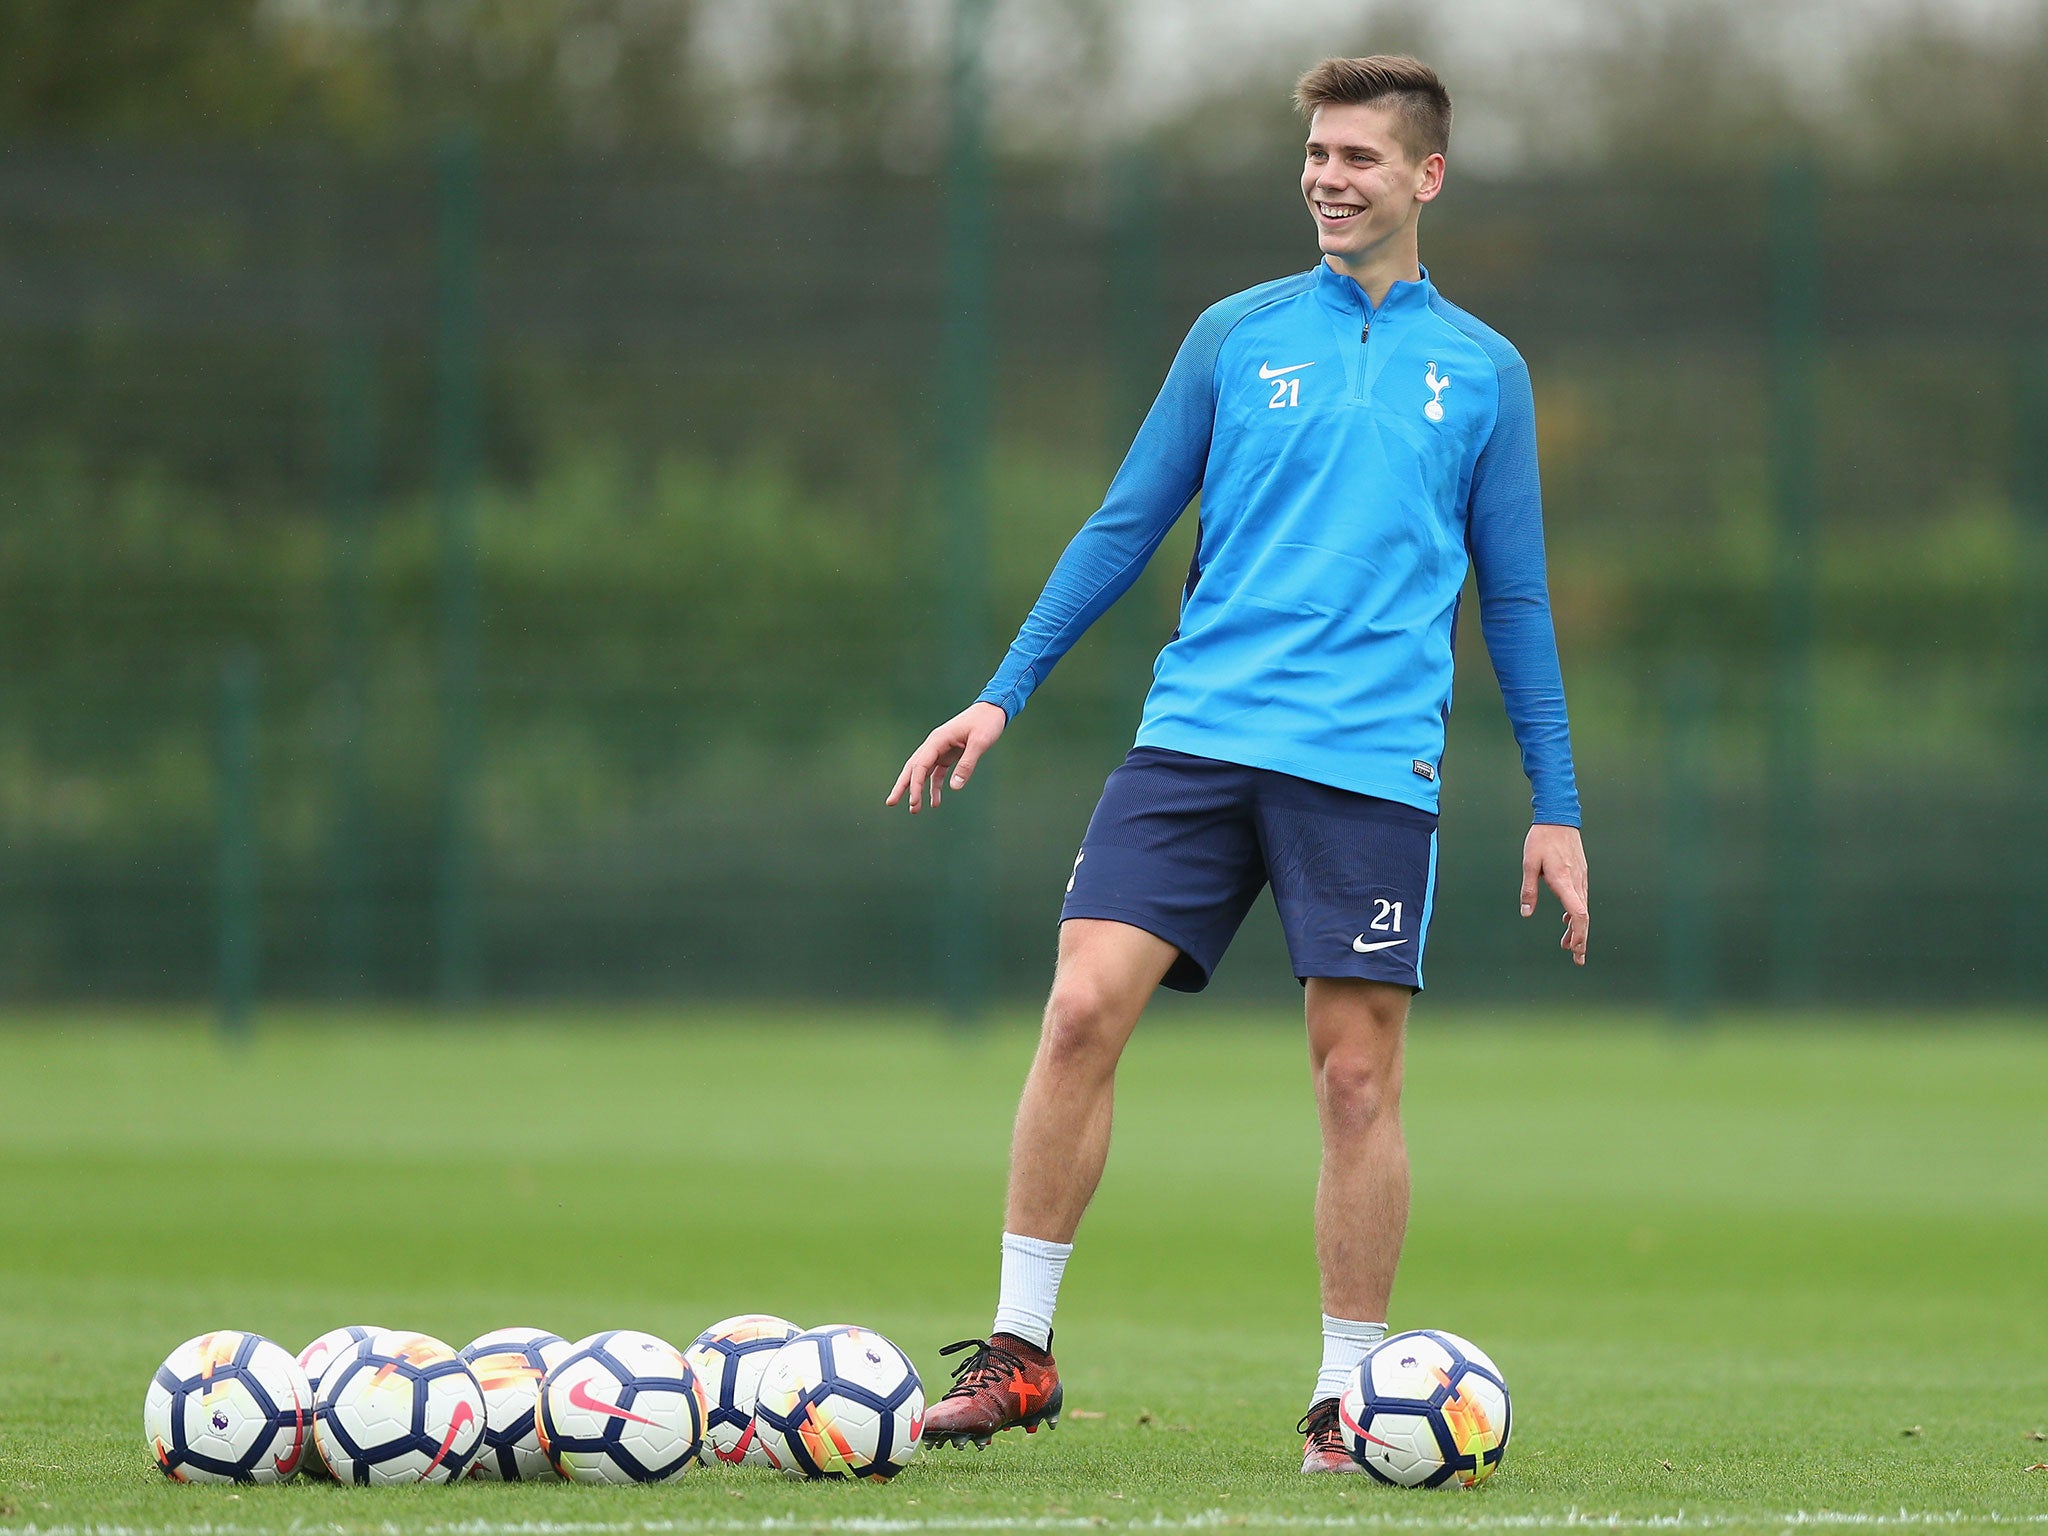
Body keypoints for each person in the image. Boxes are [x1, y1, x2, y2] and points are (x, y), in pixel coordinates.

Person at [886, 53, 1588, 1473]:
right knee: (1081, 1009)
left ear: (1426, 176)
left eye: (1361, 159)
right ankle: (1021, 1352)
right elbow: (1123, 524)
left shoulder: (1486, 373)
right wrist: (1003, 694)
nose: (1330, 177)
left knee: (1353, 1084)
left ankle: (1350, 1396)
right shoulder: (1235, 334)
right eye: (1317, 155)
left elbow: (1511, 602)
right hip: (1194, 743)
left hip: (1368, 769)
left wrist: (1555, 808)